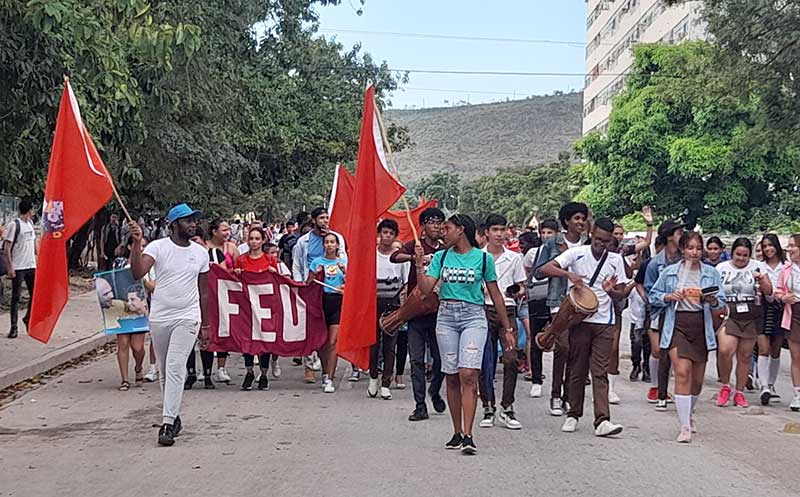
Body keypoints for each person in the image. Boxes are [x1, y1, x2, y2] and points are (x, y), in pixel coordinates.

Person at [416, 214, 512, 454]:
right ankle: (456, 432)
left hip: (473, 317)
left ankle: (469, 435)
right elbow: (426, 289)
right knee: (451, 375)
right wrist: (419, 265)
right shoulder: (441, 256)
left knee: (468, 373)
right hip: (446, 316)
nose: (441, 231)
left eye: (446, 228)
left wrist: (507, 327)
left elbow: (496, 294)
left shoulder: (482, 258)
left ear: (460, 230)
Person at [538, 217, 629, 437]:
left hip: (604, 322)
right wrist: (568, 274)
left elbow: (623, 291)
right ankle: (573, 413)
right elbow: (545, 269)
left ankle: (602, 420)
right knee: (577, 368)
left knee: (599, 372)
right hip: (579, 320)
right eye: (598, 239)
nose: (601, 244)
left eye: (606, 241)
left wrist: (611, 291)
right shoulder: (577, 253)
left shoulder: (615, 260)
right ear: (591, 234)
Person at [130, 203, 210, 447]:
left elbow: (204, 292)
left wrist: (205, 324)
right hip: (161, 317)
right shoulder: (158, 247)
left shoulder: (201, 252)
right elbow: (137, 272)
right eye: (187, 220)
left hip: (188, 316)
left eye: (194, 220)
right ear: (173, 225)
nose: (193, 224)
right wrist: (136, 244)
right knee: (165, 370)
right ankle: (174, 416)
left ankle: (166, 423)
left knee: (176, 366)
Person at [650, 231, 726, 443]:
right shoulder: (670, 272)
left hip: (701, 326)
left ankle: (689, 413)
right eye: (690, 248)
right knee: (682, 372)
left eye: (698, 248)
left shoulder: (711, 273)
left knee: (697, 380)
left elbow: (721, 301)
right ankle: (684, 426)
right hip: (677, 324)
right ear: (682, 249)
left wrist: (711, 300)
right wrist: (668, 296)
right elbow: (653, 295)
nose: (694, 252)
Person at [390, 207, 447, 421]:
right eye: (432, 222)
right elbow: (395, 257)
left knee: (441, 360)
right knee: (416, 360)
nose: (437, 226)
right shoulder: (416, 246)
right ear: (423, 226)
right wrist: (415, 258)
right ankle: (420, 404)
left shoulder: (446, 248)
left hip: (439, 311)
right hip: (416, 310)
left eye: (440, 222)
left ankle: (434, 390)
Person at [533, 202, 589, 416]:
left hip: (583, 301)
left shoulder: (589, 243)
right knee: (563, 346)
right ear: (566, 221)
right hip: (559, 300)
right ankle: (556, 396)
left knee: (577, 350)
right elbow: (538, 272)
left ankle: (569, 396)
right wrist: (566, 272)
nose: (580, 222)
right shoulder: (553, 243)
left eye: (583, 218)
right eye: (576, 218)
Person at [479, 214, 526, 430]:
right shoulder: (478, 257)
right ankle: (488, 406)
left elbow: (522, 286)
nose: (499, 234)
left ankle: (507, 406)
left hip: (507, 309)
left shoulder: (514, 258)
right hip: (483, 309)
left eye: (502, 229)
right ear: (486, 232)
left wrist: (518, 292)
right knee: (484, 361)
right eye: (495, 230)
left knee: (510, 358)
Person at [715, 238, 772, 408]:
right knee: (725, 350)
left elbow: (769, 292)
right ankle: (725, 385)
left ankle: (739, 391)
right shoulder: (721, 268)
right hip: (728, 312)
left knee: (745, 355)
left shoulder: (758, 267)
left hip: (751, 312)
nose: (741, 259)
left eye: (745, 255)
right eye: (738, 255)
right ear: (732, 253)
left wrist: (761, 280)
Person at [644, 220, 685, 410]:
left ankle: (679, 392)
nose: (682, 236)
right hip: (661, 313)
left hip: (684, 313)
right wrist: (666, 298)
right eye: (679, 233)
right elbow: (650, 292)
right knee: (661, 352)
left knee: (680, 355)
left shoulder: (687, 261)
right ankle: (659, 390)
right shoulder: (655, 264)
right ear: (669, 236)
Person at [368, 220, 409, 400]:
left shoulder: (400, 257)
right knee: (373, 343)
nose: (387, 236)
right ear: (379, 234)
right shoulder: (371, 255)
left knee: (390, 345)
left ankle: (386, 382)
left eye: (391, 233)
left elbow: (405, 282)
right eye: (384, 232)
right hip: (373, 303)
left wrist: (404, 307)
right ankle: (372, 377)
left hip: (392, 304)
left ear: (395, 236)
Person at [234, 226, 278, 391]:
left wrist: (273, 272)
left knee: (264, 340)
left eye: (257, 239)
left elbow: (277, 282)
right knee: (247, 339)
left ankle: (264, 374)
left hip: (265, 307)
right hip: (246, 307)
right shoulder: (242, 259)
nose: (253, 242)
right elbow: (233, 281)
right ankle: (249, 372)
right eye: (251, 238)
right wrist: (236, 272)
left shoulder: (269, 259)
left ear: (263, 241)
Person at [523, 219, 559, 398]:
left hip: (558, 300)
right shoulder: (533, 252)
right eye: (543, 233)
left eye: (550, 233)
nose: (546, 236)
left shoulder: (563, 252)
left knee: (560, 342)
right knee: (536, 338)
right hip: (537, 298)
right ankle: (536, 379)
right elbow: (528, 273)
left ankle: (558, 386)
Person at [308, 232, 346, 394]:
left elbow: (351, 284)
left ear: (337, 245)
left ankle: (330, 378)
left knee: (333, 341)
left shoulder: (342, 263)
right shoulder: (316, 262)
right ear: (323, 245)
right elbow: (308, 284)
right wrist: (315, 274)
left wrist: (345, 279)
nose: (330, 245)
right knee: (322, 343)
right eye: (327, 242)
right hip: (320, 303)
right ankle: (325, 372)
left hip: (337, 302)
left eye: (332, 242)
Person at [203, 219, 239, 384]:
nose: (227, 233)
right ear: (214, 231)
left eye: (229, 230)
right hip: (206, 295)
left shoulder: (231, 248)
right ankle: (205, 369)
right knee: (206, 331)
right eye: (224, 230)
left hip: (225, 296)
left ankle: (221, 368)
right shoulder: (203, 248)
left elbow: (240, 269)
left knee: (224, 329)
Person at [112, 237, 147, 391]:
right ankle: (124, 379)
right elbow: (111, 280)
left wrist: (145, 282)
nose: (142, 248)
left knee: (137, 347)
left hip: (140, 308)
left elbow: (154, 286)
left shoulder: (149, 265)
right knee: (123, 344)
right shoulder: (119, 263)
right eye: (139, 245)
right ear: (130, 246)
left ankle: (138, 367)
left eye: (144, 246)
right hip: (121, 307)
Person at [629, 235, 666, 383]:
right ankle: (636, 365)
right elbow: (638, 283)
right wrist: (647, 298)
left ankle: (647, 368)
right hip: (641, 308)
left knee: (649, 342)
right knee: (637, 339)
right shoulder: (648, 264)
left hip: (657, 308)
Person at [756, 234, 787, 405]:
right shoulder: (759, 267)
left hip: (781, 308)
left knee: (776, 349)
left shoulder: (787, 266)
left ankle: (771, 384)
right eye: (765, 246)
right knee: (764, 348)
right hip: (762, 308)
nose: (768, 249)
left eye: (771, 245)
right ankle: (763, 386)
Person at [4, 199, 38, 339]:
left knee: (35, 295)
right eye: (33, 209)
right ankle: (14, 327)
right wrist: (10, 266)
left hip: (31, 265)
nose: (34, 212)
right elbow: (7, 247)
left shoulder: (30, 224)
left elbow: (34, 244)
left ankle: (28, 317)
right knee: (16, 297)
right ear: (29, 210)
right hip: (18, 266)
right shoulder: (14, 225)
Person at [774, 234, 800, 412]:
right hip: (794, 313)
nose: (789, 249)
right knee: (796, 356)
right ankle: (798, 394)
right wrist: (784, 297)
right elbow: (778, 292)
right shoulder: (786, 270)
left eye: (793, 246)